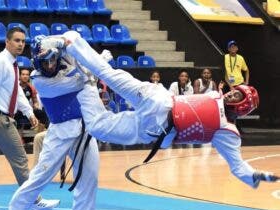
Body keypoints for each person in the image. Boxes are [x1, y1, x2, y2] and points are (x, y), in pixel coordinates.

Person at [40, 31, 279, 191]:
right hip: (160, 103)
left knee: (97, 124)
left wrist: (252, 176)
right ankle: (70, 43)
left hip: (156, 126)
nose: (230, 93)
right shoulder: (216, 96)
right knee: (108, 75)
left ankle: (79, 63)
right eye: (233, 91)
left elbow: (236, 165)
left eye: (236, 95)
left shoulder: (227, 133)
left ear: (243, 106)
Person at [2, 32, 102, 210]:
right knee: (39, 178)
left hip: (84, 129)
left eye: (53, 59)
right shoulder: (42, 80)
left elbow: (72, 38)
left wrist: (63, 45)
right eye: (45, 61)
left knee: (89, 179)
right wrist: (97, 65)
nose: (50, 64)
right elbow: (82, 80)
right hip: (60, 134)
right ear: (37, 62)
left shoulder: (65, 62)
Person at [0, 27, 60, 210]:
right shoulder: (0, 62)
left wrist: (29, 112)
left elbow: (15, 93)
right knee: (21, 160)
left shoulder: (13, 64)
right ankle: (33, 201)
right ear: (7, 42)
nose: (21, 44)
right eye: (17, 40)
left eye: (23, 41)